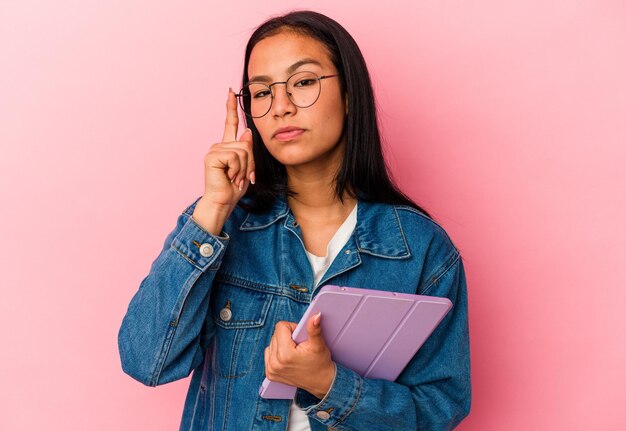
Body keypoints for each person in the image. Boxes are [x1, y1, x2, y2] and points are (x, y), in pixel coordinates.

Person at [118, 10, 471, 431]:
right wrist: (212, 208)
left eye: (303, 82)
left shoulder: (420, 248)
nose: (281, 107)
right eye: (261, 92)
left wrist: (328, 383)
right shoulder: (221, 226)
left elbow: (438, 410)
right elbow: (146, 362)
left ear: (350, 94)